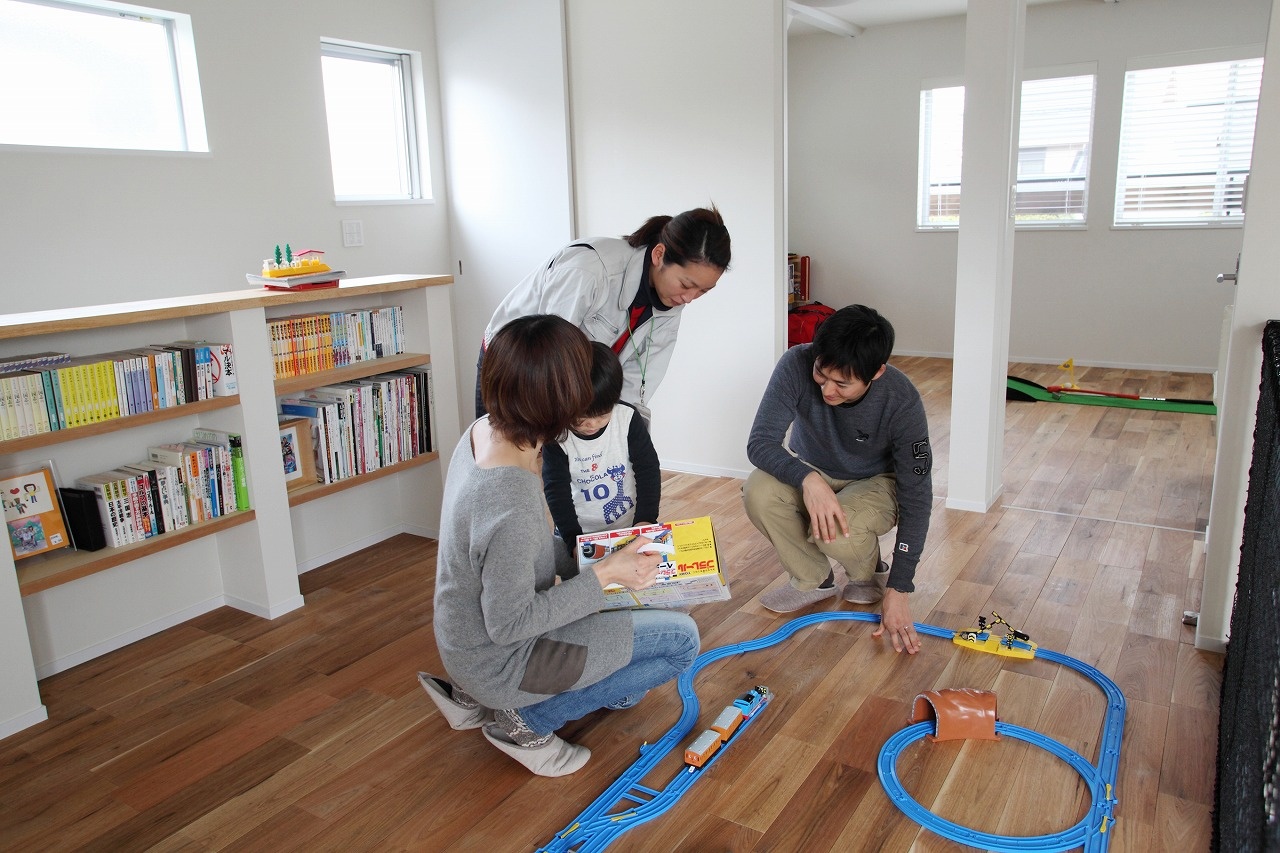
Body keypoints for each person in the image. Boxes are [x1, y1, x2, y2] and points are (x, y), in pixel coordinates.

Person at [421, 314, 700, 777]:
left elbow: (496, 560)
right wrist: (606, 573)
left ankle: (471, 697)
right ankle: (526, 721)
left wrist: (595, 555)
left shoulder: (484, 431)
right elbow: (512, 625)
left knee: (632, 598)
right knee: (680, 641)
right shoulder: (510, 497)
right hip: (503, 662)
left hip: (462, 642)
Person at [742, 304, 932, 655]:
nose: (827, 390)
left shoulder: (901, 401)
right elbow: (760, 442)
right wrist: (808, 480)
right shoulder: (795, 363)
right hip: (812, 468)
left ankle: (866, 573)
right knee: (758, 490)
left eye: (842, 383)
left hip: (876, 480)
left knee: (834, 527)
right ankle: (814, 580)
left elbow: (917, 496)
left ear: (876, 373)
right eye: (821, 374)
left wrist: (900, 587)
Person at [476, 206, 732, 422]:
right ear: (659, 254)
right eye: (686, 285)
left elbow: (635, 389)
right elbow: (548, 359)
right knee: (508, 468)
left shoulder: (671, 303)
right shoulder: (590, 270)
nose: (689, 299)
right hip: (515, 366)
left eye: (703, 291)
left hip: (573, 385)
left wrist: (627, 442)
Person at [543, 342, 661, 566]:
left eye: (602, 415)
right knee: (577, 591)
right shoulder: (557, 435)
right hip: (577, 534)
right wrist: (573, 540)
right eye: (580, 418)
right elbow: (555, 491)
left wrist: (646, 519)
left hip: (627, 528)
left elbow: (648, 470)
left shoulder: (627, 418)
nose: (591, 424)